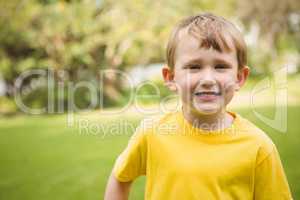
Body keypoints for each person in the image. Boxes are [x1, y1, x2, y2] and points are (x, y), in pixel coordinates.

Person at [104, 13, 292, 200]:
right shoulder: (151, 133)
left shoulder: (259, 147)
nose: (208, 79)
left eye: (220, 66)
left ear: (239, 77)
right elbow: (120, 176)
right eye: (194, 67)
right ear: (170, 77)